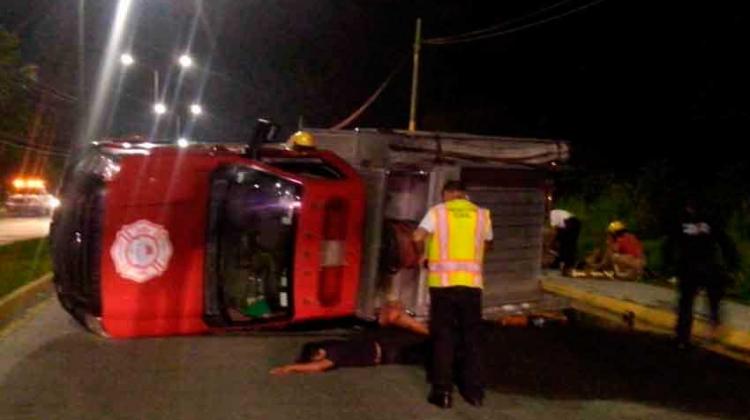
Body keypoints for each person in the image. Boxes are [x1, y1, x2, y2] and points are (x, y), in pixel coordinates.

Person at [413, 181, 492, 409]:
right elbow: (488, 243)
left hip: (443, 285)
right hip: (472, 285)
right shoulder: (481, 214)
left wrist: (423, 257)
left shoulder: (438, 212)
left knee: (444, 337)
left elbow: (417, 237)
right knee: (472, 339)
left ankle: (443, 393)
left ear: (447, 194)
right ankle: (474, 393)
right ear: (464, 194)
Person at [269, 302, 429, 375]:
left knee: (420, 341)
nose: (318, 360)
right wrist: (290, 368)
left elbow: (317, 367)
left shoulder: (334, 351)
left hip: (385, 347)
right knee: (421, 342)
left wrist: (290, 368)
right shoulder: (335, 354)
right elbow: (317, 367)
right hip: (386, 348)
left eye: (315, 356)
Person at [665, 199, 740, 349]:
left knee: (690, 301)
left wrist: (668, 265)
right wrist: (733, 265)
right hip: (700, 267)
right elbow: (725, 242)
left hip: (697, 267)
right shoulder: (702, 220)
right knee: (693, 301)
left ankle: (685, 336)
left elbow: (670, 244)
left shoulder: (690, 221)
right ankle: (689, 335)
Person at [549, 209, 581, 275]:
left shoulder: (552, 214)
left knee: (567, 244)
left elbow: (554, 231)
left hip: (570, 223)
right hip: (575, 222)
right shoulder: (555, 212)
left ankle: (565, 263)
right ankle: (566, 263)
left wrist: (550, 243)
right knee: (569, 244)